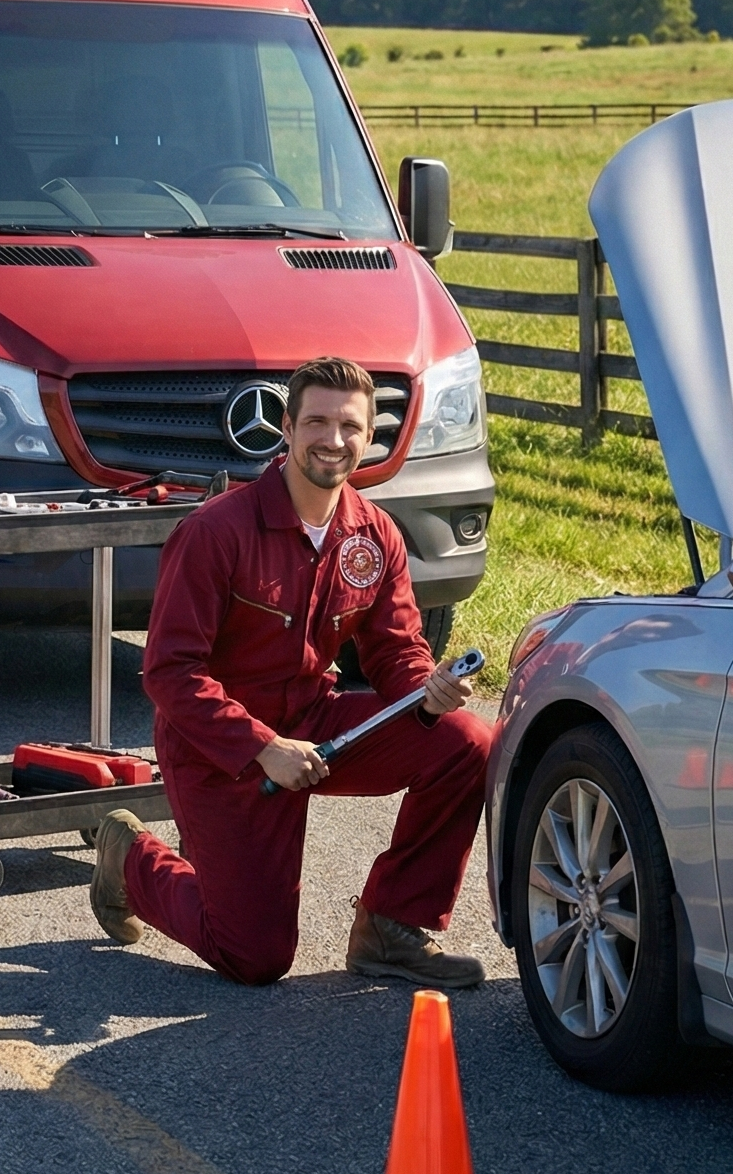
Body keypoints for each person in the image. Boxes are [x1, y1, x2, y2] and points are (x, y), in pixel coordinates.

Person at [89, 355, 491, 989]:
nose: (334, 440)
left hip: (314, 729)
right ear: (286, 426)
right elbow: (168, 673)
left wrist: (430, 691)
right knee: (256, 956)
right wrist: (261, 748)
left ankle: (392, 929)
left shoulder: (375, 534)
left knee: (465, 740)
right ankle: (132, 861)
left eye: (350, 427)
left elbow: (394, 654)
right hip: (218, 750)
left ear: (370, 437)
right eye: (319, 422)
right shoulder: (216, 531)